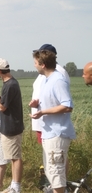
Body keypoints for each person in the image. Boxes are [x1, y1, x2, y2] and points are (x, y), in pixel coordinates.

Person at [29, 50, 76, 193]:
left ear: (42, 64)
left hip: (57, 133)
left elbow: (67, 106)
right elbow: (54, 102)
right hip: (48, 133)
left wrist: (43, 112)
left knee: (56, 174)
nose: (34, 65)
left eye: (36, 63)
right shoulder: (47, 80)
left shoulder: (58, 80)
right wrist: (38, 104)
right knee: (51, 173)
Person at [0, 58, 24, 193]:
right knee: (13, 156)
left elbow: (2, 107)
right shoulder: (9, 83)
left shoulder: (10, 85)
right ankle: (14, 185)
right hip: (10, 125)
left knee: (15, 157)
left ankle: (16, 187)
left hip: (12, 127)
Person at [31, 44, 70, 144]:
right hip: (45, 123)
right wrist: (37, 103)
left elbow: (64, 101)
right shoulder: (44, 74)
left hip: (54, 126)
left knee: (57, 156)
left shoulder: (58, 73)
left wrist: (43, 111)